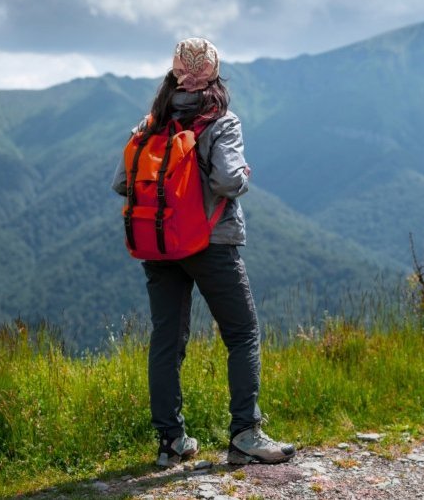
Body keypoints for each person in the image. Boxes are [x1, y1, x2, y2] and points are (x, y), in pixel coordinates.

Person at [111, 37, 295, 467]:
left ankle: (171, 441)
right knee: (242, 334)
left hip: (159, 244)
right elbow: (228, 181)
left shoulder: (149, 123)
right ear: (214, 74)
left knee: (167, 340)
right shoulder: (221, 122)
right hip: (210, 244)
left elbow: (122, 183)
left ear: (175, 73)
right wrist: (244, 174)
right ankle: (245, 434)